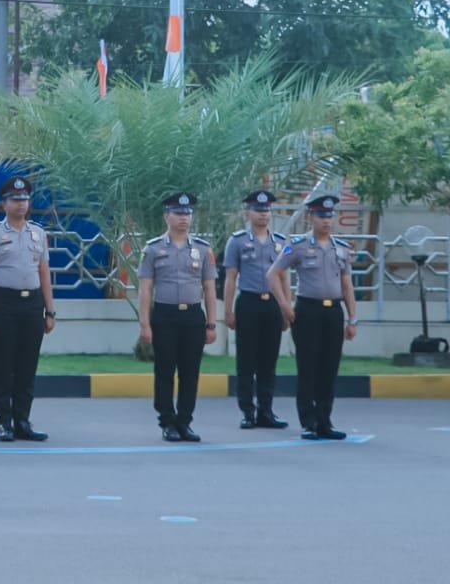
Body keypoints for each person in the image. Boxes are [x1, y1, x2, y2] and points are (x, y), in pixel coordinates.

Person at [268, 194, 358, 440]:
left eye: (330, 216)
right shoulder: (298, 245)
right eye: (321, 216)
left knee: (329, 369)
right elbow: (273, 274)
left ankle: (325, 421)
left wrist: (352, 319)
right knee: (308, 368)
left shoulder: (341, 248)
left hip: (333, 312)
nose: (326, 221)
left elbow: (347, 285)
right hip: (308, 310)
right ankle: (308, 422)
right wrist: (285, 306)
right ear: (311, 217)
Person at [0, 176, 55, 442]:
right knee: (3, 365)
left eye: (24, 199)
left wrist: (50, 310)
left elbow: (44, 273)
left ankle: (23, 420)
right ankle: (5, 422)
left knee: (26, 366)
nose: (21, 204)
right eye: (15, 199)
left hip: (32, 304)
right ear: (5, 203)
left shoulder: (38, 233)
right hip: (5, 304)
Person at [137, 193, 218, 442]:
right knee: (164, 371)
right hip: (164, 315)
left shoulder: (203, 250)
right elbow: (145, 288)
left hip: (193, 316)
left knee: (190, 372)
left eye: (188, 213)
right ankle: (167, 422)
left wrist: (212, 323)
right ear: (167, 216)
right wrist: (145, 324)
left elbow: (209, 288)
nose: (184, 218)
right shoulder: (153, 249)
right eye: (178, 213)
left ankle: (185, 422)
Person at [223, 189, 289, 429]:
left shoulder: (281, 242)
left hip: (272, 304)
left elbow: (284, 279)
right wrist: (228, 310)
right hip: (248, 303)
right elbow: (230, 277)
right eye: (258, 210)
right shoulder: (237, 241)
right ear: (248, 212)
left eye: (266, 210)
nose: (263, 214)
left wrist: (286, 308)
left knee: (268, 360)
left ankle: (266, 411)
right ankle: (247, 412)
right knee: (246, 360)